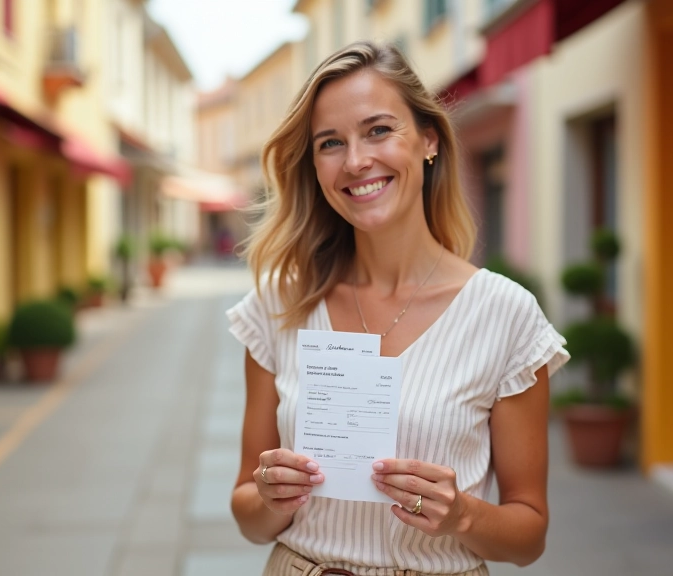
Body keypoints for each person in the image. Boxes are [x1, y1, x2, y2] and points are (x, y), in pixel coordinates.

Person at [226, 41, 569, 576]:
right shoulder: (278, 305)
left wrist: (462, 514)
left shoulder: (507, 315)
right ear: (314, 165)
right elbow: (248, 517)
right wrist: (271, 497)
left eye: (378, 130)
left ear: (428, 140)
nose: (355, 160)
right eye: (330, 143)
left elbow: (529, 538)